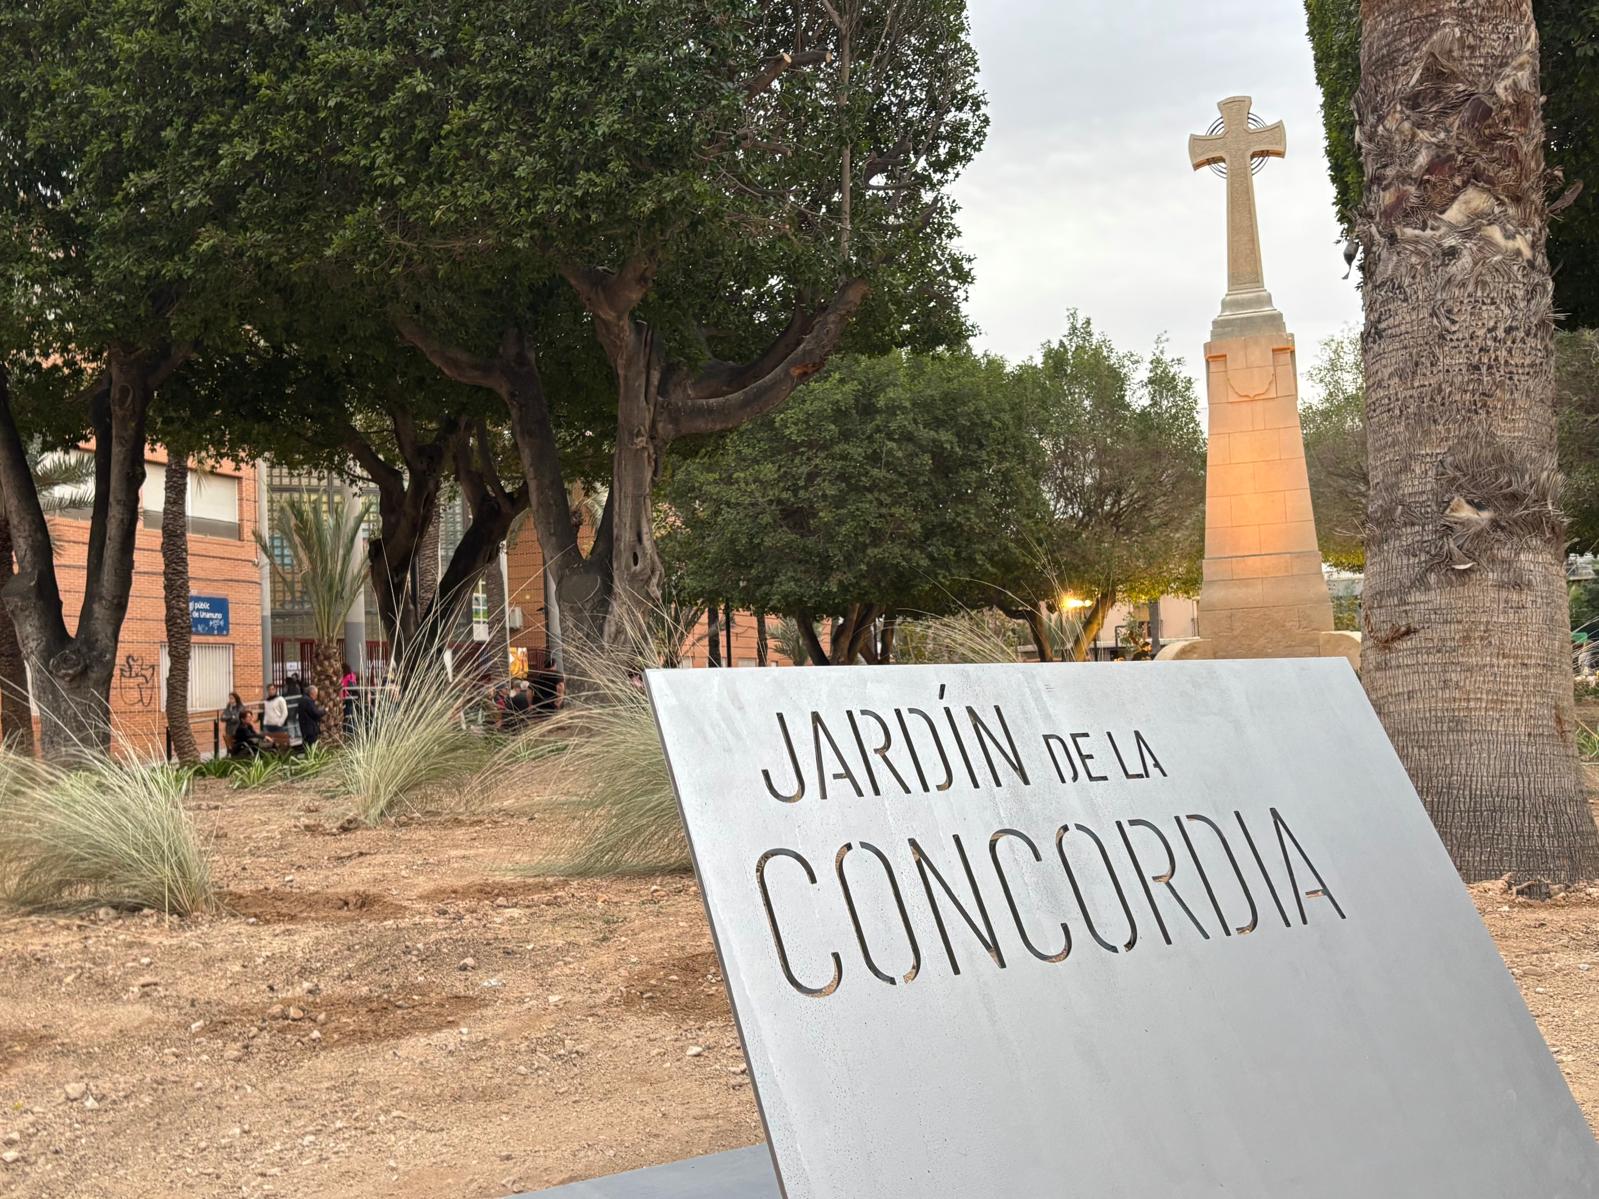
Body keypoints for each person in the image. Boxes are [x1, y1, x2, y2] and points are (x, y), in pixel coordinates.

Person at [298, 684, 324, 749]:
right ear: (312, 693)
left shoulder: (303, 699)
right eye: (316, 694)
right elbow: (315, 713)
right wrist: (324, 711)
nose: (316, 697)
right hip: (310, 729)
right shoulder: (308, 701)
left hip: (305, 729)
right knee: (311, 747)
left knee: (307, 746)